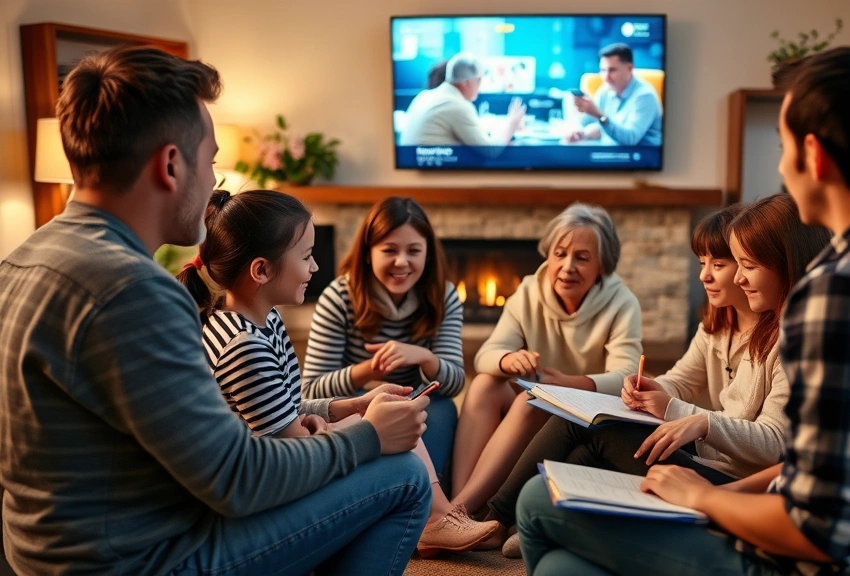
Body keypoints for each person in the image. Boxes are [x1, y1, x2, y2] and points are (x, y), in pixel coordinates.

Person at [516, 45, 850, 576]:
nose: (781, 166)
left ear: (814, 155)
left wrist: (705, 497)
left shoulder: (845, 293)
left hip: (826, 562)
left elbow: (819, 530)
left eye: (783, 146)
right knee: (562, 568)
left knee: (539, 501)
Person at [0, 46, 432, 575]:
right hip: (141, 560)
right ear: (170, 166)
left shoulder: (20, 261)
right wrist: (369, 437)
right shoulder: (133, 290)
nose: (213, 184)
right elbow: (240, 480)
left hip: (50, 553)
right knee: (404, 475)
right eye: (210, 163)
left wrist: (330, 415)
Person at [492, 195, 830, 558]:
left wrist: (696, 419)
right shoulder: (720, 324)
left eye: (730, 264)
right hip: (712, 457)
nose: (711, 276)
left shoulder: (794, 340)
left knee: (589, 426)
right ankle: (541, 518)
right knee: (589, 440)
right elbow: (681, 380)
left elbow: (775, 444)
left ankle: (499, 518)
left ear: (784, 265)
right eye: (704, 263)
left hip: (734, 481)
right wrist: (651, 389)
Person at [179, 189, 501, 556]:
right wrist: (363, 426)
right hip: (262, 497)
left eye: (414, 250)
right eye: (306, 256)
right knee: (401, 458)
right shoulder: (244, 346)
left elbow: (287, 409)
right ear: (262, 270)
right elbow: (292, 451)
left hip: (277, 467)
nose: (315, 267)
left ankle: (437, 517)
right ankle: (435, 519)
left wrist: (352, 407)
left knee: (394, 419)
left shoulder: (264, 320)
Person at [450, 202, 643, 516]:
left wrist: (569, 384)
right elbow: (485, 355)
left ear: (602, 266)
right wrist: (508, 360)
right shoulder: (528, 292)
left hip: (586, 416)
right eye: (559, 254)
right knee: (486, 383)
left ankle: (459, 510)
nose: (567, 267)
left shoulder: (622, 302)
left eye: (582, 258)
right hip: (535, 399)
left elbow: (627, 373)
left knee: (533, 399)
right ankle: (460, 505)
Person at [302, 196, 466, 482]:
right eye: (389, 250)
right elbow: (312, 390)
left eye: (414, 251)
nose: (401, 262)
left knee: (442, 408)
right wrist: (369, 370)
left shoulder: (444, 296)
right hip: (356, 401)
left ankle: (430, 491)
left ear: (427, 254)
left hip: (417, 399)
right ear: (368, 253)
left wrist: (424, 357)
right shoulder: (338, 297)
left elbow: (454, 383)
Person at [399, 52, 526, 149]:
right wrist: (512, 123)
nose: (480, 87)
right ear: (466, 82)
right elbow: (490, 150)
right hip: (436, 171)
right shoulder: (456, 105)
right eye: (478, 80)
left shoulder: (425, 95)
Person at [568, 43, 663, 146]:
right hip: (609, 152)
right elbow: (584, 121)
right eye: (603, 70)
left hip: (638, 154)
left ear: (630, 68)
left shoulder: (645, 96)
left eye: (612, 70)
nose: (606, 77)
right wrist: (577, 129)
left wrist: (599, 115)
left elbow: (630, 139)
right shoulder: (606, 90)